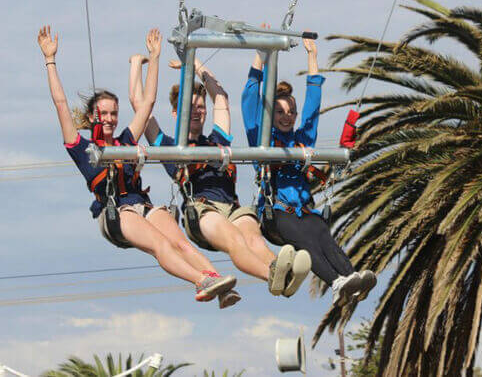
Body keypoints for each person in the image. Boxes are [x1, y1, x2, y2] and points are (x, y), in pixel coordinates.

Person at [38, 25, 238, 307]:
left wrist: (154, 58)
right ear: (94, 116)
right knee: (162, 245)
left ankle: (218, 284)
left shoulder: (126, 141)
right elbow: (60, 103)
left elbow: (147, 103)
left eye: (113, 114)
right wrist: (50, 60)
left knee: (180, 242)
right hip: (116, 211)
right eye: (103, 113)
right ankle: (201, 281)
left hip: (142, 204)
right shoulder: (82, 147)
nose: (109, 119)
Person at [128, 56, 311, 298]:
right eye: (190, 108)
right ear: (176, 113)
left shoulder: (217, 141)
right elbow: (139, 105)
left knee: (254, 240)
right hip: (203, 211)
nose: (197, 112)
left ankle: (284, 274)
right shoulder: (168, 146)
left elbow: (221, 98)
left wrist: (195, 64)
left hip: (232, 207)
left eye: (201, 107)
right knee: (235, 239)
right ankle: (273, 275)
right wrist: (138, 65)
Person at [242, 35, 377, 306]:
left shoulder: (302, 139)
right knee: (306, 240)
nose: (286, 116)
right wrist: (261, 55)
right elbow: (249, 97)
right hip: (276, 212)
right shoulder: (262, 138)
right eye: (279, 111)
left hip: (305, 209)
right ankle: (336, 282)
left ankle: (351, 277)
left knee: (323, 235)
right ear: (271, 115)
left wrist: (312, 58)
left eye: (290, 111)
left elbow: (313, 106)